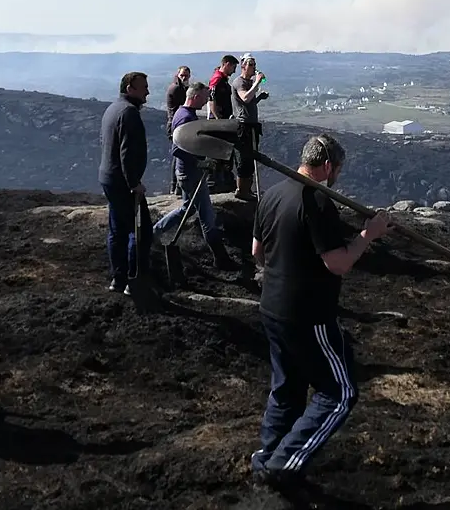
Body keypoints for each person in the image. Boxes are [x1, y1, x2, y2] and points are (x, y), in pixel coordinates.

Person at [249, 134, 392, 489]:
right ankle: (282, 465)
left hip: (272, 307)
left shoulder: (273, 194)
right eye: (338, 169)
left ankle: (267, 456)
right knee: (340, 393)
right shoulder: (317, 200)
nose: (337, 175)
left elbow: (257, 252)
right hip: (308, 315)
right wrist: (368, 234)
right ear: (328, 166)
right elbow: (338, 263)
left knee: (288, 388)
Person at [153, 81, 239, 270]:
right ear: (194, 97)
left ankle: (154, 232)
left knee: (187, 208)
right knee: (207, 217)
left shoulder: (184, 114)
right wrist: (200, 162)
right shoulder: (186, 118)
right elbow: (178, 150)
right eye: (203, 97)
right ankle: (221, 258)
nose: (206, 100)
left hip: (186, 172)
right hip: (191, 174)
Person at [98, 71, 153, 296]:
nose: (147, 91)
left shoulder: (113, 109)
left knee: (117, 229)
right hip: (123, 182)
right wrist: (134, 183)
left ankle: (117, 279)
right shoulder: (129, 113)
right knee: (139, 231)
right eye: (144, 87)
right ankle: (134, 280)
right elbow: (127, 153)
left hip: (109, 178)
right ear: (130, 87)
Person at [231, 54, 269, 200]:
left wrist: (259, 97)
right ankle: (242, 190)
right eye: (251, 64)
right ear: (243, 66)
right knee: (244, 159)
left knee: (250, 158)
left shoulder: (247, 82)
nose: (254, 67)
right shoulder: (239, 82)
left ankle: (247, 189)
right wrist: (257, 82)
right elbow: (245, 98)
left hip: (250, 124)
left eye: (254, 64)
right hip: (243, 125)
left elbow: (248, 103)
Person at [207, 55, 240, 193]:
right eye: (233, 67)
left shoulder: (222, 79)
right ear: (226, 64)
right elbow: (212, 99)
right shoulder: (217, 79)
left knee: (224, 152)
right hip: (219, 122)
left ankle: (224, 180)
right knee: (219, 152)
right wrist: (218, 119)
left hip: (223, 121)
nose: (234, 70)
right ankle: (216, 182)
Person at [166, 66, 191, 195]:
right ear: (178, 74)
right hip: (176, 125)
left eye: (186, 75)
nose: (184, 77)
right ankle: (175, 186)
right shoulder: (177, 89)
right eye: (182, 75)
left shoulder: (181, 87)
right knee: (178, 155)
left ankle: (176, 186)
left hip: (177, 124)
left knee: (179, 155)